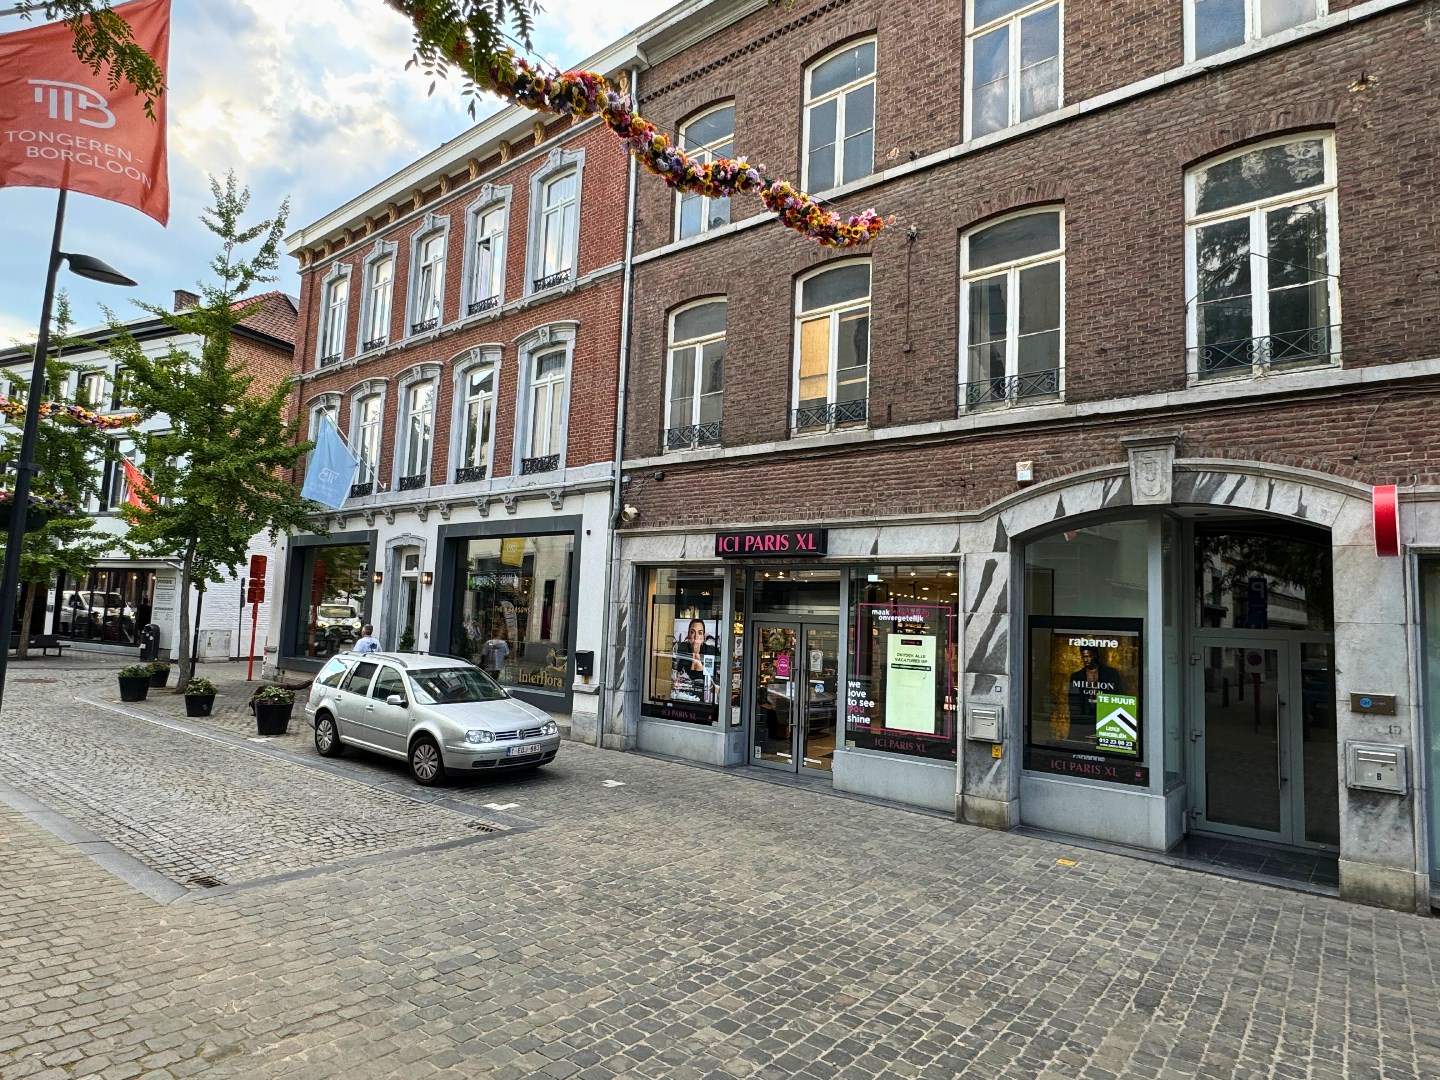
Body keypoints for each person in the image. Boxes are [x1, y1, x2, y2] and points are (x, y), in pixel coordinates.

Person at [1067, 645, 1123, 729]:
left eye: (1088, 656)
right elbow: (1073, 700)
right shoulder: (1076, 676)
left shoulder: (1111, 673)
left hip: (1108, 714)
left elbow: (1118, 695)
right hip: (1085, 718)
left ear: (1095, 655)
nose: (1085, 660)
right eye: (1083, 657)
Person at [672, 618, 719, 703]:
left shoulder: (709, 651)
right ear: (688, 634)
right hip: (685, 696)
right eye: (693, 632)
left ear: (703, 636)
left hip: (705, 697)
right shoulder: (682, 649)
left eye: (700, 633)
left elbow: (711, 679)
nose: (696, 637)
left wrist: (697, 657)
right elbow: (677, 674)